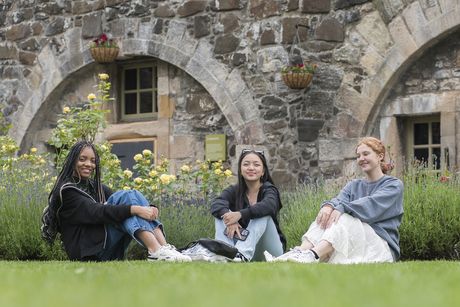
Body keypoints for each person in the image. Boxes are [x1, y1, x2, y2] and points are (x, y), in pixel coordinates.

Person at [45, 140, 191, 262]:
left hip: (105, 249)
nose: (88, 164)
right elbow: (96, 212)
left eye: (93, 161)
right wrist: (137, 209)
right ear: (72, 160)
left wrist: (149, 208)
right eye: (82, 159)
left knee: (130, 198)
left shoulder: (95, 187)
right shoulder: (67, 190)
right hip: (87, 253)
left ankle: (163, 249)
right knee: (128, 206)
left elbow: (122, 204)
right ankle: (156, 249)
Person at [265, 137, 404, 264]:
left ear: (380, 156)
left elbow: (370, 205)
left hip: (381, 245)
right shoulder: (354, 185)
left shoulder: (393, 185)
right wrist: (328, 206)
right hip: (357, 240)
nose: (361, 158)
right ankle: (299, 252)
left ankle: (313, 254)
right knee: (326, 217)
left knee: (342, 217)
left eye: (366, 154)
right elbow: (339, 200)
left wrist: (340, 208)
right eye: (358, 155)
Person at [210, 148, 286, 262]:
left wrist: (240, 214)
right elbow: (216, 203)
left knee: (262, 213)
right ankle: (224, 253)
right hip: (240, 244)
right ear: (240, 170)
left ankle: (241, 254)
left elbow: (269, 205)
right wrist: (230, 217)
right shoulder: (235, 190)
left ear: (263, 171)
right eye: (246, 164)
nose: (251, 168)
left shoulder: (269, 189)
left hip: (270, 251)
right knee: (222, 214)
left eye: (256, 165)